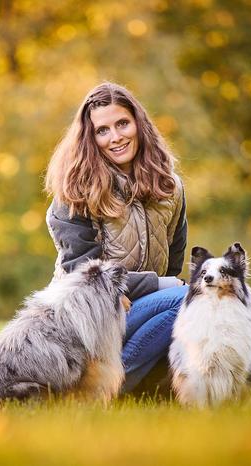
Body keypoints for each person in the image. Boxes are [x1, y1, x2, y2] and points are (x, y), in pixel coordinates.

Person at [44, 81, 188, 393]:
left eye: (122, 123)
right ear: (90, 139)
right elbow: (85, 279)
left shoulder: (170, 188)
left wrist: (162, 287)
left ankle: (143, 387)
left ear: (138, 123)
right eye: (102, 130)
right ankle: (103, 390)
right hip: (88, 321)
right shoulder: (75, 191)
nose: (116, 137)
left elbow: (172, 267)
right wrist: (160, 286)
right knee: (187, 299)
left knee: (218, 308)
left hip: (141, 311)